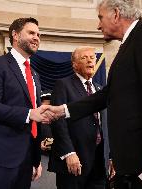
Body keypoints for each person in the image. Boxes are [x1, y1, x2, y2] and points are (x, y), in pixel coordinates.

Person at [46, 0, 142, 188]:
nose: (98, 25)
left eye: (101, 18)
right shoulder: (128, 45)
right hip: (140, 157)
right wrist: (63, 110)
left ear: (116, 14)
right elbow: (107, 94)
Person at [0, 17, 51, 189]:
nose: (36, 38)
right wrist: (29, 114)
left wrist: (36, 159)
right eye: (31, 33)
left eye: (39, 35)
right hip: (0, 158)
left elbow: (34, 119)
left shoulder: (35, 74)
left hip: (26, 159)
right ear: (15, 35)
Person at [48, 46, 114, 189]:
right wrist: (69, 153)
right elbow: (58, 121)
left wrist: (110, 156)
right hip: (74, 160)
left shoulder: (101, 89)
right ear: (75, 64)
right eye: (84, 58)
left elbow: (107, 125)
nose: (90, 60)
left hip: (99, 161)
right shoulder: (63, 85)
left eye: (92, 58)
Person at [31, 90, 56, 189]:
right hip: (37, 162)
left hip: (54, 165)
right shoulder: (32, 123)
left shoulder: (60, 124)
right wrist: (38, 145)